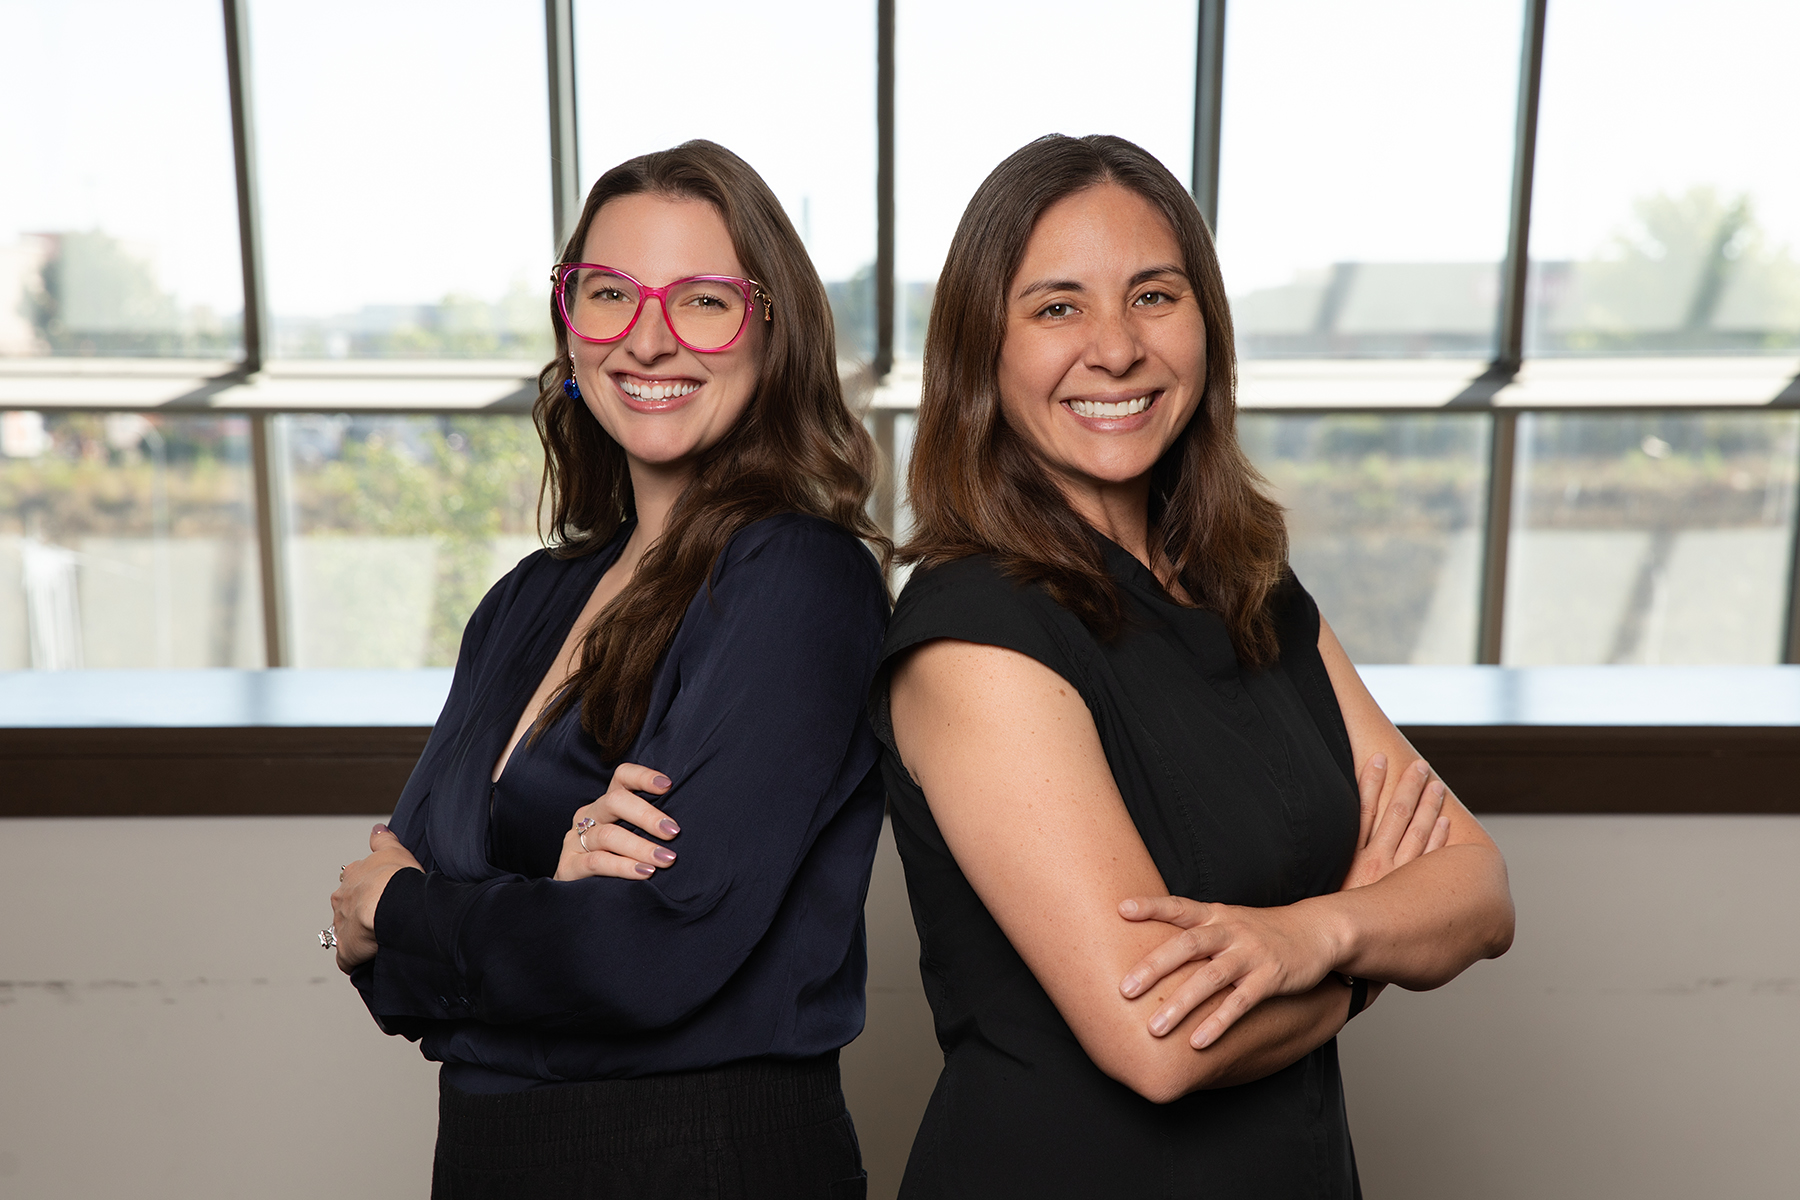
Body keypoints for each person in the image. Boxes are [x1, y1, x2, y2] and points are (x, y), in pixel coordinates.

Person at [874, 134, 1516, 1198]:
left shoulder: (1248, 585)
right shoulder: (973, 638)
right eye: (1057, 307)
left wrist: (1314, 934)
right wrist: (1371, 959)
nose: (1116, 349)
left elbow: (1480, 889)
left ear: (1206, 323)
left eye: (1154, 296)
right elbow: (1161, 1042)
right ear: (982, 350)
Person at [326, 140, 888, 1200]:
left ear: (774, 331)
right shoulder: (526, 602)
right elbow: (384, 972)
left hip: (701, 1160)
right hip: (490, 1162)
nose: (649, 336)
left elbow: (645, 957)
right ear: (568, 319)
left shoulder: (799, 581)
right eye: (610, 293)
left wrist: (414, 912)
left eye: (705, 301)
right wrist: (541, 899)